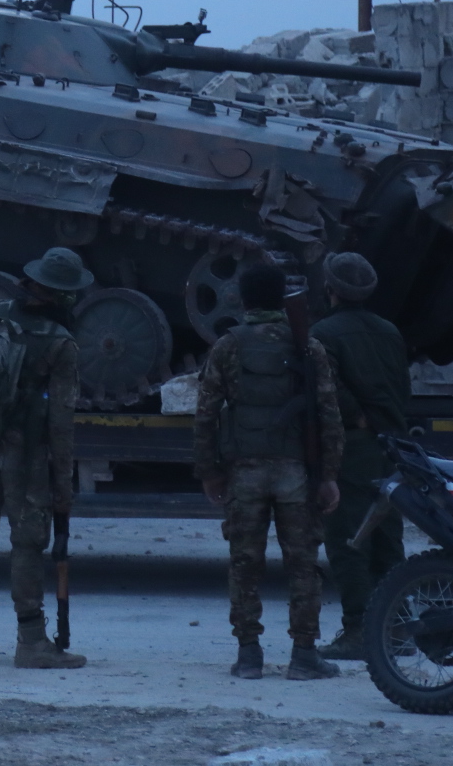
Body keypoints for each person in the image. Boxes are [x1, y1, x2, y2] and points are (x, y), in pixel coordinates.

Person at [195, 261, 346, 681]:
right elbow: (328, 414)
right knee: (302, 565)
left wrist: (209, 471)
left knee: (245, 565)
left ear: (243, 300)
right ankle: (303, 655)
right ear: (282, 299)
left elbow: (205, 414)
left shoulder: (228, 346)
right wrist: (329, 474)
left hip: (244, 471)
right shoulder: (307, 346)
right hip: (295, 473)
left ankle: (248, 656)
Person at [0, 247, 88, 670]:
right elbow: (62, 422)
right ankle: (30, 641)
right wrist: (64, 485)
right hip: (26, 453)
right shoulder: (60, 343)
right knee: (26, 543)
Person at [309, 251, 408, 660]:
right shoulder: (389, 331)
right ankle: (397, 629)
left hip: (353, 448)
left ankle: (358, 632)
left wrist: (357, 417)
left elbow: (326, 392)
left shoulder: (323, 333)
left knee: (349, 540)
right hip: (393, 446)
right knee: (388, 539)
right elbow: (401, 387)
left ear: (330, 289)